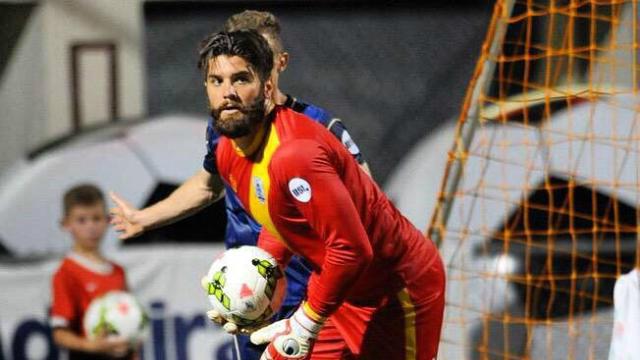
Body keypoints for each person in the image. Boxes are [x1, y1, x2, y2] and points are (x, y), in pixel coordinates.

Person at [110, 10, 372, 360]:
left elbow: (367, 203)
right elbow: (208, 184)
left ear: (278, 63)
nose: (234, 83)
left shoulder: (317, 129)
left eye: (256, 60)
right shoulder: (225, 128)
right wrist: (145, 218)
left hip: (313, 293)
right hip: (248, 288)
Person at [200, 30, 445, 359]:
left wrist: (306, 321)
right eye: (216, 81)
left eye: (241, 79)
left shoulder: (295, 154)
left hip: (394, 292)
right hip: (339, 290)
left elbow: (353, 249)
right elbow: (278, 223)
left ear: (267, 87)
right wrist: (255, 279)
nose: (228, 93)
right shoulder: (227, 150)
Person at [50, 184, 133, 360]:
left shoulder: (118, 271)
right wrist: (91, 346)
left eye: (96, 218)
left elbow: (130, 319)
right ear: (66, 224)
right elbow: (60, 333)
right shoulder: (66, 273)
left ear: (108, 220)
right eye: (81, 220)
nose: (91, 227)